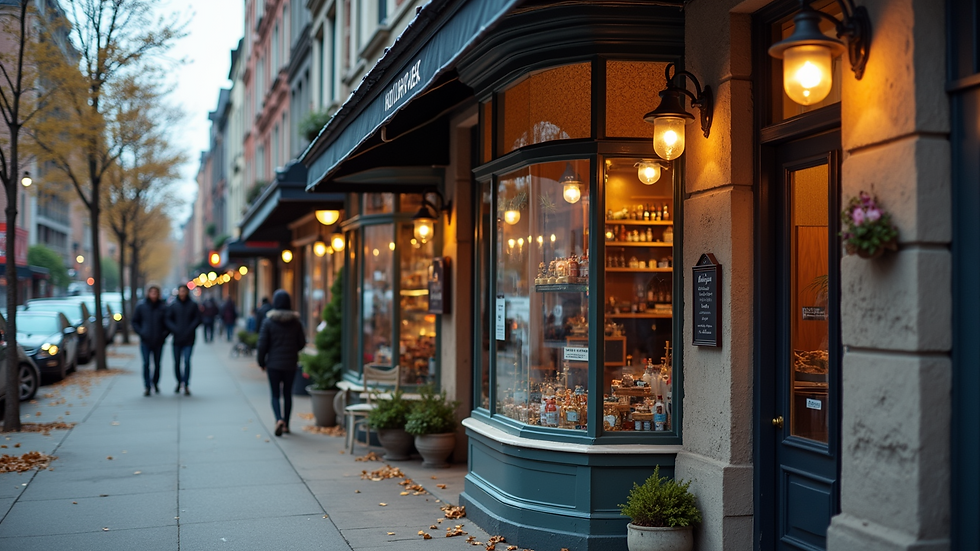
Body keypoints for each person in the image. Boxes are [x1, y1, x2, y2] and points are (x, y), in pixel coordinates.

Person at [257, 289, 306, 436]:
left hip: (273, 364)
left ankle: (278, 419)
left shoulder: (268, 322)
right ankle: (286, 425)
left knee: (275, 395)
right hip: (290, 364)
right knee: (288, 394)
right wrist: (292, 350)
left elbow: (262, 345)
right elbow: (302, 343)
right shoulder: (296, 323)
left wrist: (261, 362)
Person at [130, 284, 168, 396]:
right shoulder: (141, 306)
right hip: (145, 340)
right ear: (148, 293)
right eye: (152, 292)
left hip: (159, 341)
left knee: (157, 364)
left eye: (155, 293)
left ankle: (155, 383)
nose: (153, 295)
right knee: (146, 363)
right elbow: (134, 321)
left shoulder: (163, 307)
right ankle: (147, 386)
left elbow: (167, 323)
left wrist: (163, 335)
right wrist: (141, 332)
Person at [166, 284, 202, 395]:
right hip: (177, 339)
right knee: (177, 362)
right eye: (180, 291)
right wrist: (174, 329)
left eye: (184, 291)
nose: (182, 293)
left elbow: (198, 319)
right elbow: (168, 319)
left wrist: (190, 329)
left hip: (189, 339)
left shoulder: (193, 305)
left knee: (187, 361)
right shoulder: (173, 305)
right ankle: (179, 381)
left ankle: (186, 384)